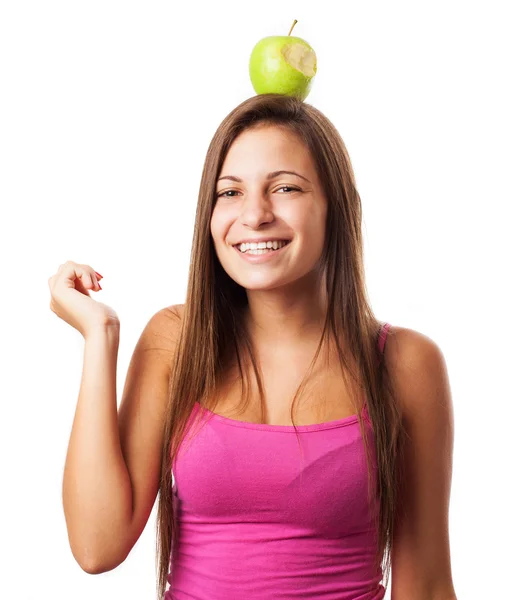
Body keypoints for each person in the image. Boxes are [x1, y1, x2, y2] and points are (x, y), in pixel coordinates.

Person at [50, 94, 457, 600]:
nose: (255, 215)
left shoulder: (404, 363)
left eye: (285, 188)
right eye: (230, 192)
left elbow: (429, 585)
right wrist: (99, 336)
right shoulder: (176, 343)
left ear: (337, 207)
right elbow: (96, 546)